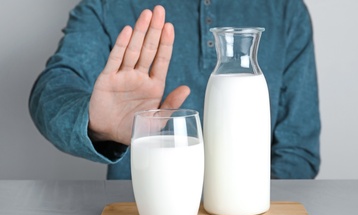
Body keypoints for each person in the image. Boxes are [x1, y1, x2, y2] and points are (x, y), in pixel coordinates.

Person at [29, 0, 321, 179]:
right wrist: (94, 123)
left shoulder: (286, 10)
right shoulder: (108, 5)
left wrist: (249, 212)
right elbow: (51, 91)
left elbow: (298, 150)